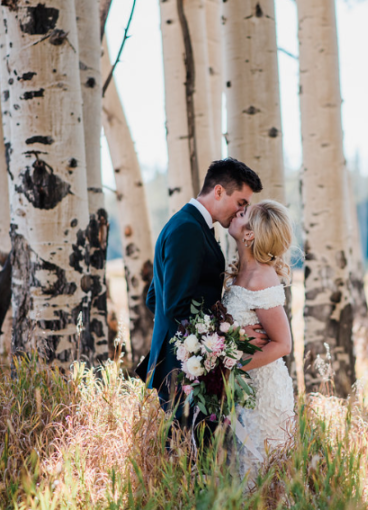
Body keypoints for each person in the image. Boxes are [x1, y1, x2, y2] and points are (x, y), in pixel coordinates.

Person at [138, 158, 266, 420]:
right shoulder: (188, 230)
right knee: (189, 455)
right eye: (241, 202)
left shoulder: (190, 224)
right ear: (219, 191)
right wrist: (233, 336)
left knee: (189, 454)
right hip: (184, 372)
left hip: (184, 364)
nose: (242, 211)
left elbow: (157, 299)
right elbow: (175, 306)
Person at [222, 199, 296, 483]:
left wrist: (234, 367)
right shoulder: (241, 271)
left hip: (263, 391)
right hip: (244, 390)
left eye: (243, 214)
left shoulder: (262, 279)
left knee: (259, 471)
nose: (236, 213)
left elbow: (282, 344)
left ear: (250, 234)